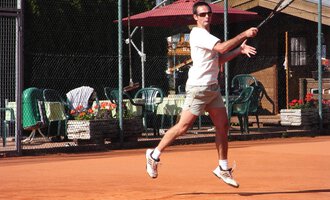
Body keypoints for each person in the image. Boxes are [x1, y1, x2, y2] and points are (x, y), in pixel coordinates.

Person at [146, 1, 258, 188]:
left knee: (223, 126)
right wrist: (244, 35)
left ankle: (222, 167)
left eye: (209, 14)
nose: (207, 16)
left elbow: (219, 59)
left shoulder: (208, 36)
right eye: (203, 14)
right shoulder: (198, 34)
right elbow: (221, 48)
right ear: (195, 17)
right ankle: (153, 155)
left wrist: (239, 50)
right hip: (198, 89)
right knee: (183, 127)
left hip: (212, 89)